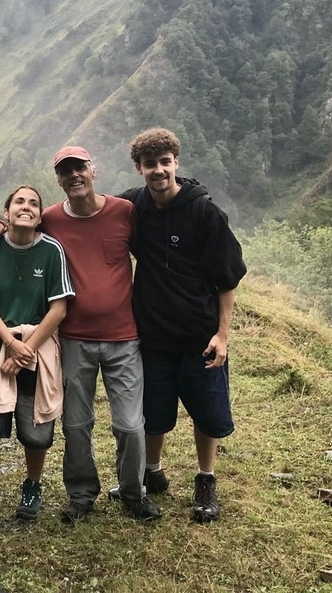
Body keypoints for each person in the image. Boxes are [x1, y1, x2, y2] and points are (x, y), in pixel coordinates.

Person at [0, 147, 161, 525]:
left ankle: (133, 492)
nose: (74, 176)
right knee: (77, 424)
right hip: (74, 338)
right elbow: (20, 226)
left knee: (130, 424)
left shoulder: (124, 212)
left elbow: (155, 249)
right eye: (66, 172)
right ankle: (81, 494)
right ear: (59, 180)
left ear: (93, 171)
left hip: (123, 336)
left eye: (80, 168)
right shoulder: (50, 219)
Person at [119, 128, 247, 523]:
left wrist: (222, 336)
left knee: (207, 414)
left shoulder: (205, 212)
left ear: (176, 162)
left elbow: (227, 279)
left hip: (199, 337)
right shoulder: (133, 206)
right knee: (153, 414)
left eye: (165, 162)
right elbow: (87, 214)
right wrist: (8, 224)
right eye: (150, 164)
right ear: (139, 168)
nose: (158, 170)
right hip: (153, 335)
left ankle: (205, 480)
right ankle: (152, 472)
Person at [0, 186, 73, 539]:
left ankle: (32, 484)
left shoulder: (51, 250)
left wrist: (27, 347)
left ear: (40, 215)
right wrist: (10, 342)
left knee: (37, 432)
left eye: (33, 203)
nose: (26, 207)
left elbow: (59, 307)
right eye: (19, 202)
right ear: (6, 211)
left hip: (38, 346)